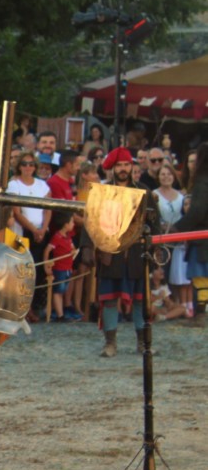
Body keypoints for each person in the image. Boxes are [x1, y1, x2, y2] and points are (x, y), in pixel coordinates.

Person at [83, 148, 150, 356]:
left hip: (137, 254)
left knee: (141, 300)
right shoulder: (102, 193)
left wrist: (154, 249)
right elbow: (90, 220)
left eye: (126, 165)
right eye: (119, 165)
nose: (123, 169)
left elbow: (153, 223)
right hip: (110, 253)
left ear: (132, 166)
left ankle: (143, 343)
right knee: (110, 299)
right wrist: (87, 247)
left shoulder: (144, 191)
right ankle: (110, 343)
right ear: (112, 168)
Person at [7, 154, 52, 322]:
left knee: (38, 272)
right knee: (22, 272)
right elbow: (17, 212)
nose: (28, 167)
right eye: (24, 164)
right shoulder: (14, 185)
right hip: (22, 232)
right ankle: (21, 308)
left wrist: (43, 229)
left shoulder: (42, 185)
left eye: (31, 164)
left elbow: (48, 208)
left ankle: (33, 306)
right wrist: (34, 230)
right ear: (19, 166)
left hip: (40, 231)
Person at [172, 142, 208, 325]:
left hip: (202, 239)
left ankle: (200, 315)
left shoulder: (203, 181)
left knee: (200, 277)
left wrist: (177, 228)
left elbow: (197, 211)